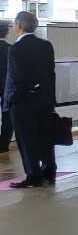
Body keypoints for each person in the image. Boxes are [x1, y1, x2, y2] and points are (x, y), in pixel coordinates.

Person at [3, 11, 56, 187]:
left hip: (23, 101)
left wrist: (11, 99)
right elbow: (51, 73)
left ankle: (33, 175)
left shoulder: (16, 49)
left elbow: (16, 77)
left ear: (19, 25)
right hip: (45, 98)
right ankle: (49, 171)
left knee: (26, 139)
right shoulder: (46, 45)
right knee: (46, 136)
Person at [0, 20, 12, 153]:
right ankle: (4, 144)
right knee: (7, 115)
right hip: (6, 86)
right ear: (7, 33)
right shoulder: (10, 49)